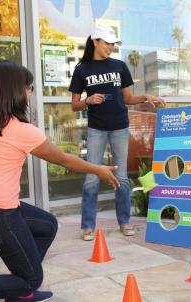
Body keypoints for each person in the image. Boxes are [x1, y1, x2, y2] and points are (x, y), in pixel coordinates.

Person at [0, 60, 119, 302]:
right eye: (29, 87)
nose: (30, 92)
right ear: (14, 91)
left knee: (47, 226)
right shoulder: (20, 130)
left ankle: (18, 289)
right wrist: (99, 170)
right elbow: (63, 160)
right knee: (31, 279)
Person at [69, 24, 165, 241]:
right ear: (95, 41)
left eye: (113, 43)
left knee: (121, 177)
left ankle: (125, 221)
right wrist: (88, 100)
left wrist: (146, 97)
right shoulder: (82, 69)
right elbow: (74, 105)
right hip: (96, 129)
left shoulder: (120, 66)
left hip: (120, 127)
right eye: (108, 42)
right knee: (92, 177)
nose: (111, 46)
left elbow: (128, 98)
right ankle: (87, 226)